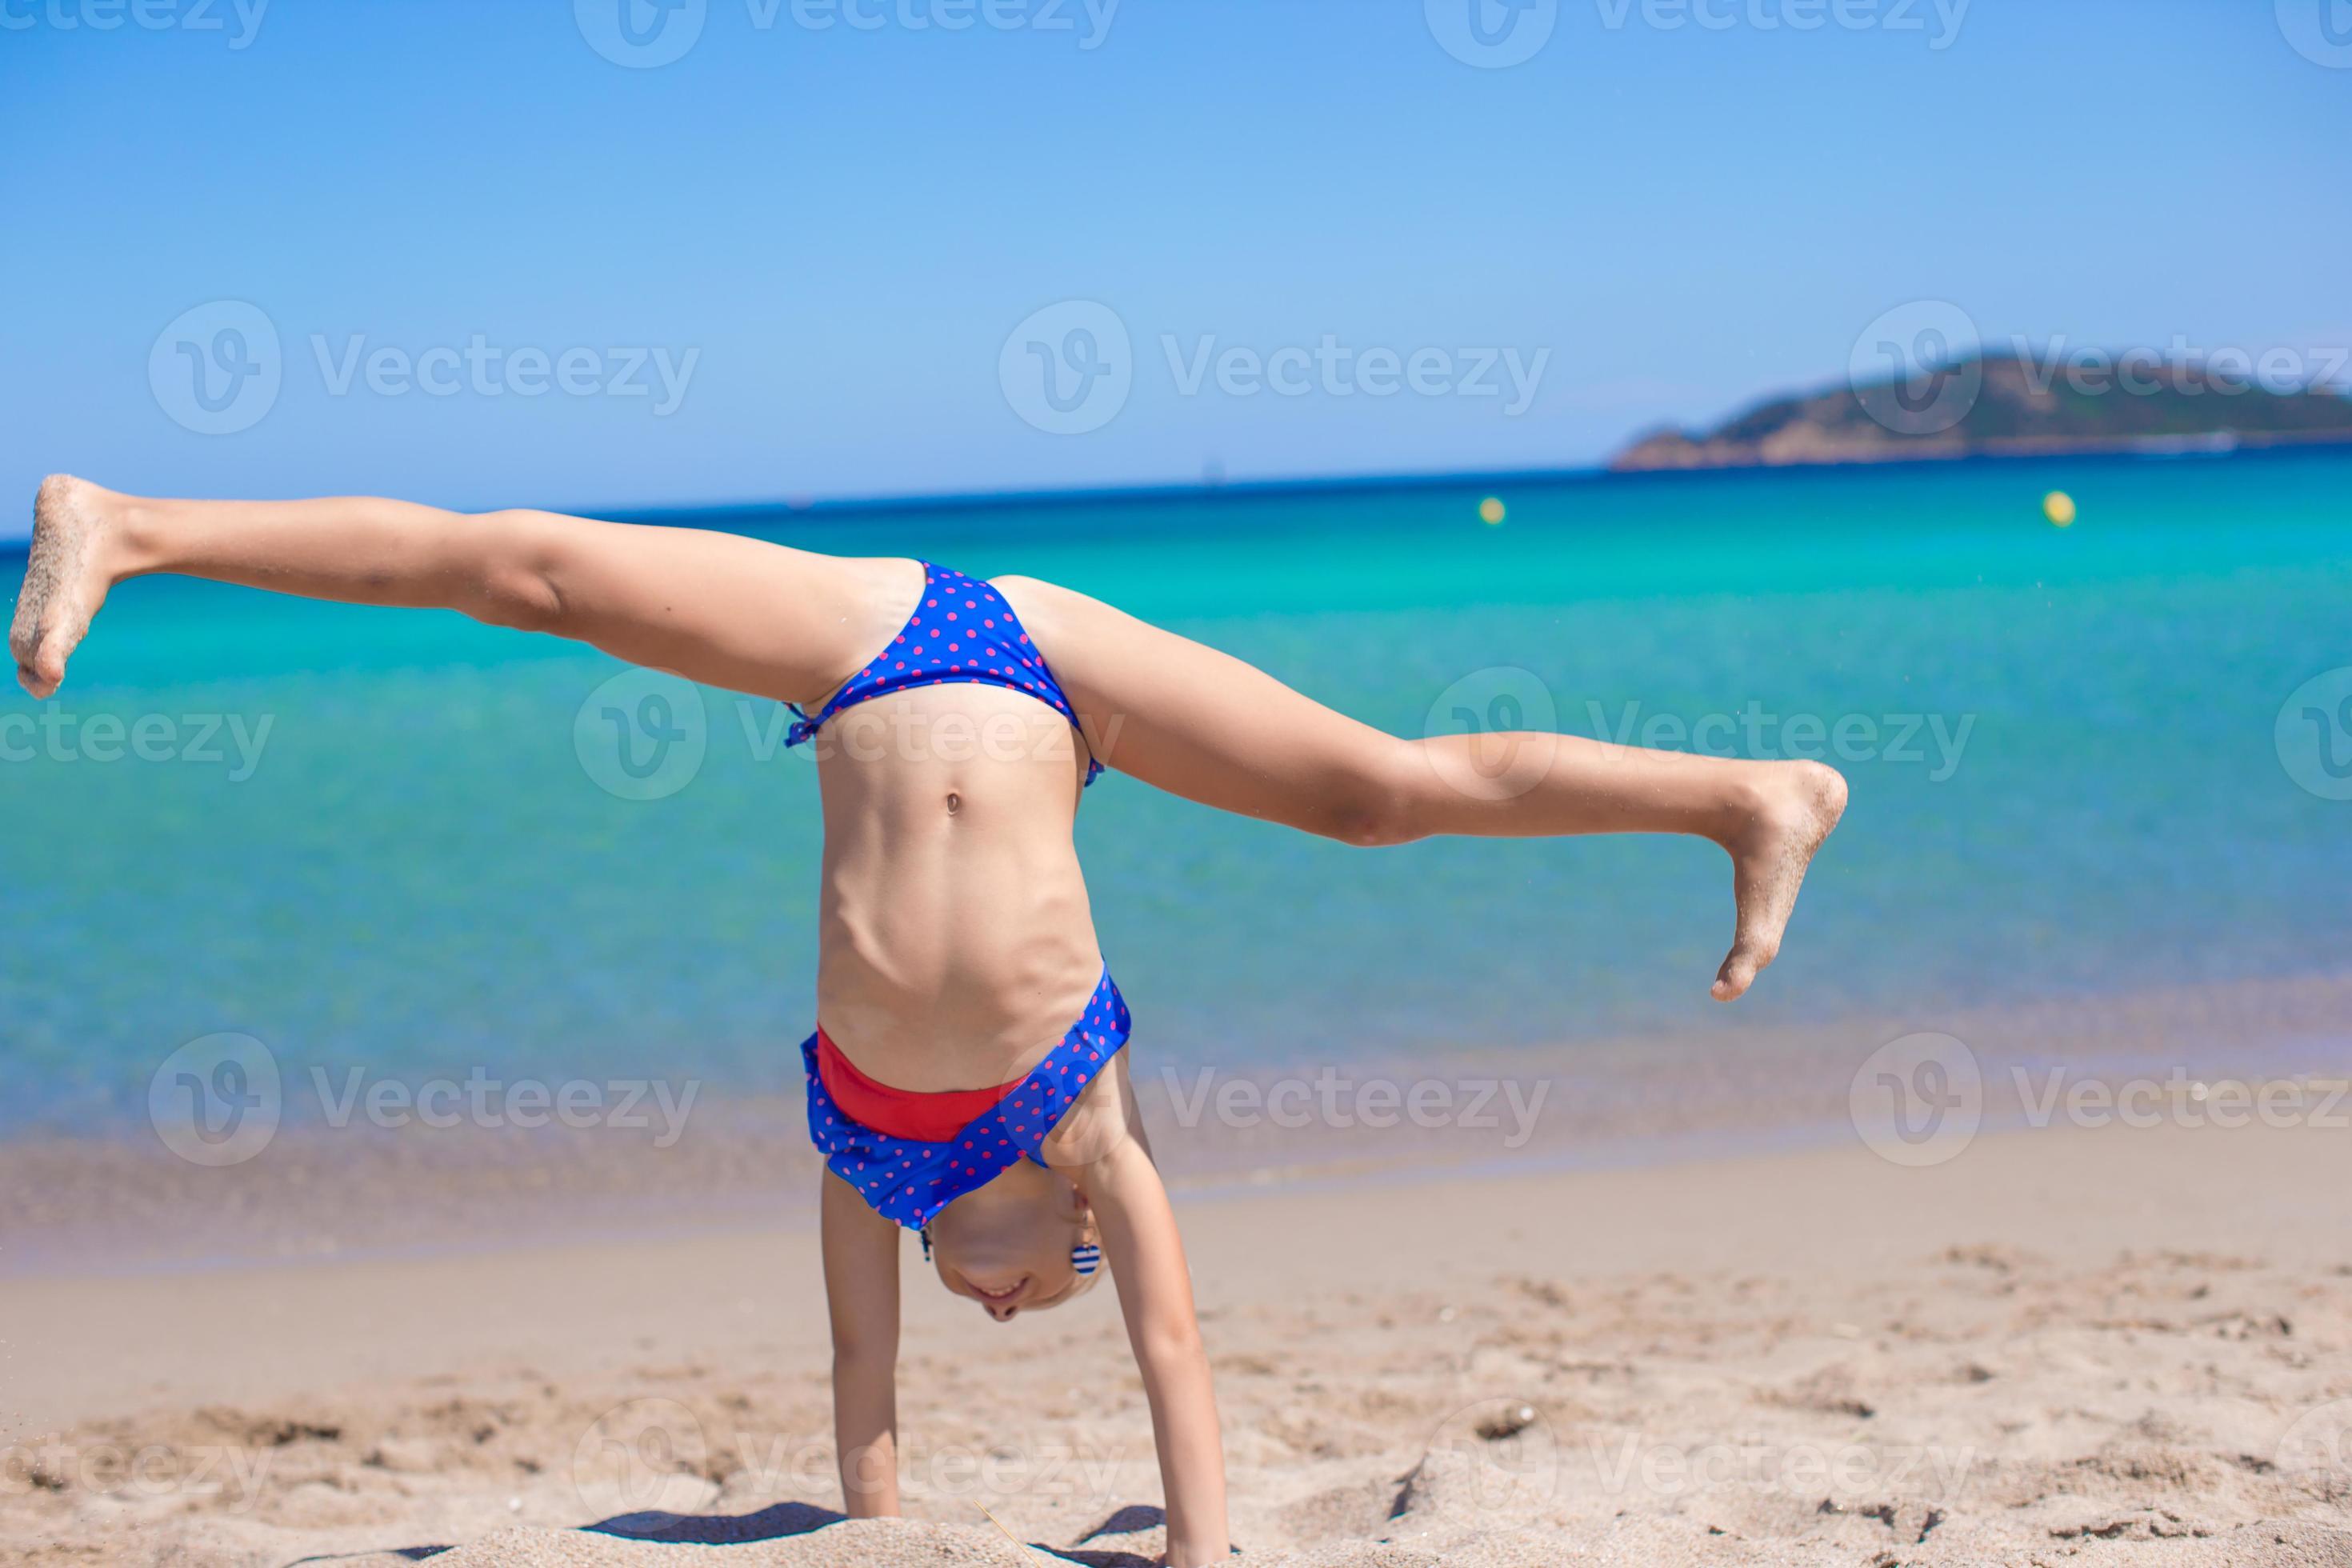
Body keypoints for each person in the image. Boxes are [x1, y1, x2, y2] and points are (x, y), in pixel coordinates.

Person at [10, 474, 1846, 1566]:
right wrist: (1204, 1551)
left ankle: (1744, 796)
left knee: (1378, 790)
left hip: (872, 657)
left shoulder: (861, 1151)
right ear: (1071, 1232)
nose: (1011, 1310)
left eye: (1007, 1311)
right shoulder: (1091, 1136)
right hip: (1023, 646)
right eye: (1043, 1298)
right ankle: (140, 525)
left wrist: (873, 1527)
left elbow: (860, 1391)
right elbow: (1181, 1350)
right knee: (533, 567)